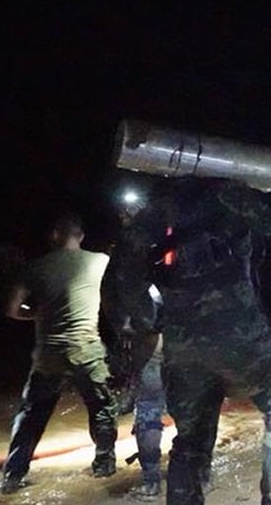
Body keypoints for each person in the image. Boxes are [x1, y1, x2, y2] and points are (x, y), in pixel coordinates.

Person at [112, 174, 271, 505]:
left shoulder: (154, 213)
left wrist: (151, 320)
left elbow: (123, 277)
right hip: (242, 338)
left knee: (190, 441)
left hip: (182, 348)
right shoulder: (228, 194)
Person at [0, 213, 119, 493]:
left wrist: (36, 314)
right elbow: (117, 295)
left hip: (48, 353)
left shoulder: (34, 267)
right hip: (85, 349)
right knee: (101, 407)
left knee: (31, 414)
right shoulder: (100, 261)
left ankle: (13, 476)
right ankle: (104, 464)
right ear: (81, 236)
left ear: (54, 236)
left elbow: (11, 308)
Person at [104, 192, 169, 501]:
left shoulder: (128, 249)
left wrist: (128, 329)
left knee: (149, 409)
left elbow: (112, 297)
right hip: (184, 337)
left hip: (150, 340)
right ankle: (199, 471)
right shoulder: (171, 236)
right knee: (191, 406)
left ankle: (152, 480)